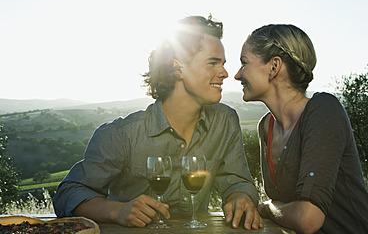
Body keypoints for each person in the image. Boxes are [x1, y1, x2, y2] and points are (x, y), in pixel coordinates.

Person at [53, 15, 263, 230]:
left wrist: (240, 196)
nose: (225, 73)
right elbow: (67, 193)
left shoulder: (225, 121)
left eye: (223, 64)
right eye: (212, 63)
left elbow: (237, 179)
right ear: (177, 67)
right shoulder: (122, 134)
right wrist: (117, 210)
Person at [234, 24, 368, 233]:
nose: (237, 75)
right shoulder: (266, 127)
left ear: (274, 67)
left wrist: (269, 207)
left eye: (244, 63)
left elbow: (308, 218)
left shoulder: (324, 110)